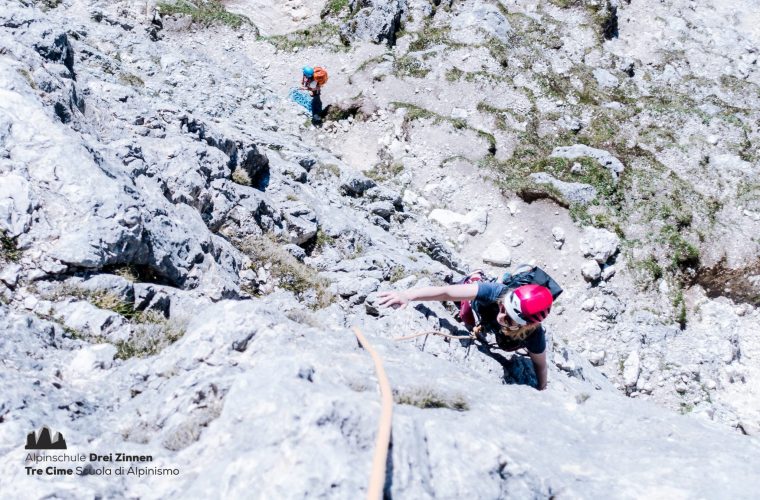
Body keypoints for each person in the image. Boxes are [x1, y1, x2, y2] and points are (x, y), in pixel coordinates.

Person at [377, 277, 553, 390]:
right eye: (503, 308)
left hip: (506, 330)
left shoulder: (533, 335)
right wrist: (407, 295)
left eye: (508, 319)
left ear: (526, 326)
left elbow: (540, 365)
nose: (501, 317)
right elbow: (447, 292)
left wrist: (542, 389)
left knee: (507, 345)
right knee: (469, 309)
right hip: (482, 306)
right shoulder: (497, 292)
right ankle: (474, 280)